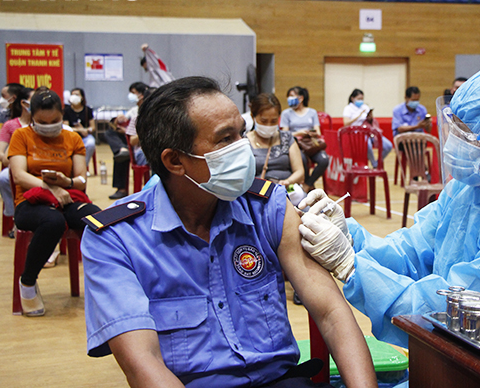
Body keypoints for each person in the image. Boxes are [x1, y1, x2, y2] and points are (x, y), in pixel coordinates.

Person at [81, 76, 377, 388]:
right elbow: (144, 364)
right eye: (225, 139)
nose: (244, 148)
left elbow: (332, 313)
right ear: (175, 160)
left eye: (241, 132)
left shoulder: (267, 208)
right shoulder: (115, 239)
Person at [297, 58, 480, 347]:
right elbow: (412, 251)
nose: (454, 145)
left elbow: (452, 317)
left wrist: (352, 268)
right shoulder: (467, 189)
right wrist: (351, 240)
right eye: (455, 129)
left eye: (469, 136)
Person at [9, 88, 100, 316]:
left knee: (98, 218)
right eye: (42, 121)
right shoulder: (21, 136)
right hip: (31, 201)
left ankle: (102, 285)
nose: (48, 125)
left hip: (67, 197)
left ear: (62, 114)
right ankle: (28, 282)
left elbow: (80, 180)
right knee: (53, 222)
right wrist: (51, 187)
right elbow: (19, 175)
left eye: (55, 120)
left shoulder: (72, 138)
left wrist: (65, 181)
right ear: (32, 116)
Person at [0, 86, 33, 233]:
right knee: (3, 179)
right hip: (15, 166)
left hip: (37, 165)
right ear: (24, 103)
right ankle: (14, 215)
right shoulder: (10, 125)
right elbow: (0, 154)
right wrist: (11, 157)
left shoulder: (43, 125)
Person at [247, 93, 305, 187]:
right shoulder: (244, 142)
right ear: (253, 117)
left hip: (286, 190)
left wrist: (288, 181)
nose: (269, 126)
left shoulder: (287, 138)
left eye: (274, 121)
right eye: (264, 121)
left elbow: (299, 172)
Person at [106, 82, 150, 199]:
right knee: (111, 134)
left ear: (142, 95)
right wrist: (117, 121)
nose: (131, 95)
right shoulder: (134, 112)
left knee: (125, 153)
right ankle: (122, 149)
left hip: (139, 142)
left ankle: (123, 149)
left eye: (133, 93)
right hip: (133, 140)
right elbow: (117, 124)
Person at [280, 86, 329, 193]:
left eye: (292, 96)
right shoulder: (286, 114)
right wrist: (299, 133)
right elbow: (285, 134)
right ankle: (308, 187)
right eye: (288, 96)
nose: (289, 98)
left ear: (301, 98)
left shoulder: (312, 112)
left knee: (324, 160)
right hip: (296, 145)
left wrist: (310, 133)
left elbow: (318, 132)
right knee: (302, 160)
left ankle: (308, 185)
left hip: (310, 145)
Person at [343, 89, 392, 168]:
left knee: (388, 145)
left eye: (362, 99)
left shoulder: (365, 107)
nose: (361, 101)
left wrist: (370, 117)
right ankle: (374, 163)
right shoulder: (348, 108)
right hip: (357, 134)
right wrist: (358, 116)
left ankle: (378, 161)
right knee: (367, 145)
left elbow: (369, 120)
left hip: (370, 131)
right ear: (352, 98)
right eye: (359, 99)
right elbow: (346, 123)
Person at [63, 87, 96, 167]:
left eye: (77, 95)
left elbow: (93, 127)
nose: (74, 96)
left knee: (91, 143)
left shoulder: (87, 110)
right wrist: (80, 129)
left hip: (85, 136)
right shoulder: (66, 110)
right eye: (72, 95)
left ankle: (83, 166)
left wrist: (86, 130)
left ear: (82, 97)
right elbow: (66, 127)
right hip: (71, 137)